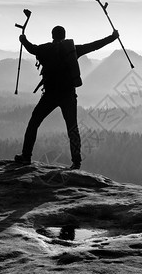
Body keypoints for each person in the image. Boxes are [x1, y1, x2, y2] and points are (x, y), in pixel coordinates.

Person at [15, 26, 119, 169]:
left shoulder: (45, 49)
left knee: (34, 122)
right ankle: (76, 162)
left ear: (52, 35)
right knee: (72, 128)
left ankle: (26, 156)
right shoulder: (72, 50)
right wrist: (112, 37)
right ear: (64, 36)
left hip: (50, 95)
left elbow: (31, 48)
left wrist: (23, 39)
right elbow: (94, 46)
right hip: (68, 95)